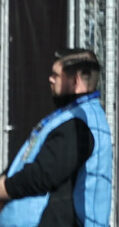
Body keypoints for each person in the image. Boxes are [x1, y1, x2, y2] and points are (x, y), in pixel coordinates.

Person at [0, 50, 109, 227]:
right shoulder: (68, 117)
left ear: (75, 81)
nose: (50, 79)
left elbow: (43, 175)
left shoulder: (79, 124)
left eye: (56, 75)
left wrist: (4, 189)